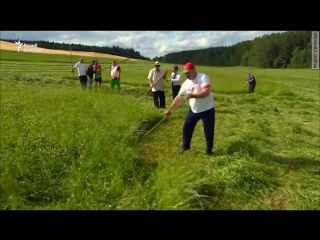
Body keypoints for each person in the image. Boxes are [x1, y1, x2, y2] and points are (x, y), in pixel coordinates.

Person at [164, 62, 215, 155]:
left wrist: (192, 95)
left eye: (188, 72)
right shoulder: (186, 84)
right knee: (187, 127)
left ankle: (209, 150)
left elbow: (206, 92)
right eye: (185, 73)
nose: (186, 75)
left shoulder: (203, 78)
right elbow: (178, 98)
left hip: (207, 109)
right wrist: (169, 110)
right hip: (194, 110)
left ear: (193, 70)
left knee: (209, 131)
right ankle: (185, 146)